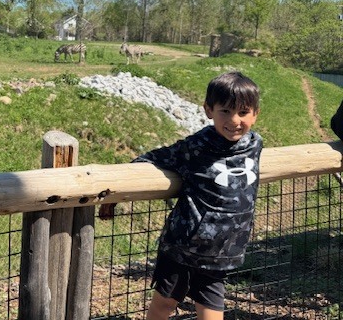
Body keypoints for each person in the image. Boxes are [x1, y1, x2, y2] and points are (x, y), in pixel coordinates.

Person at [99, 71, 262, 320]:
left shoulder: (255, 144)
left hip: (223, 252)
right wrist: (121, 184)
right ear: (209, 110)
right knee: (164, 305)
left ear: (255, 114)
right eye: (225, 111)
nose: (234, 120)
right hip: (184, 247)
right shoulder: (196, 146)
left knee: (212, 313)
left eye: (243, 112)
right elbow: (156, 157)